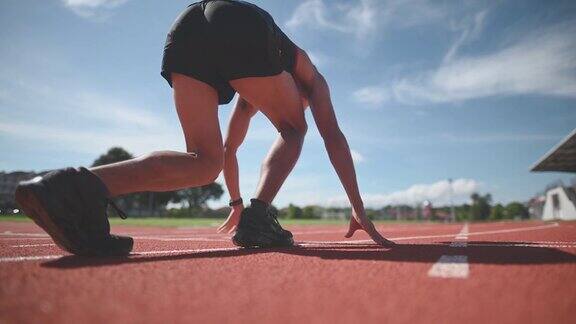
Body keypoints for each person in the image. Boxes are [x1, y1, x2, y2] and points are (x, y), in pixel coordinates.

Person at [15, 0, 394, 256]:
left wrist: (235, 202)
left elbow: (227, 152)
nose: (300, 103)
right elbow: (335, 139)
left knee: (202, 161)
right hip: (239, 23)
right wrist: (358, 208)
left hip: (188, 28)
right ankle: (261, 219)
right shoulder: (310, 77)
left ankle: (70, 187)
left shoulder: (251, 95)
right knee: (296, 129)